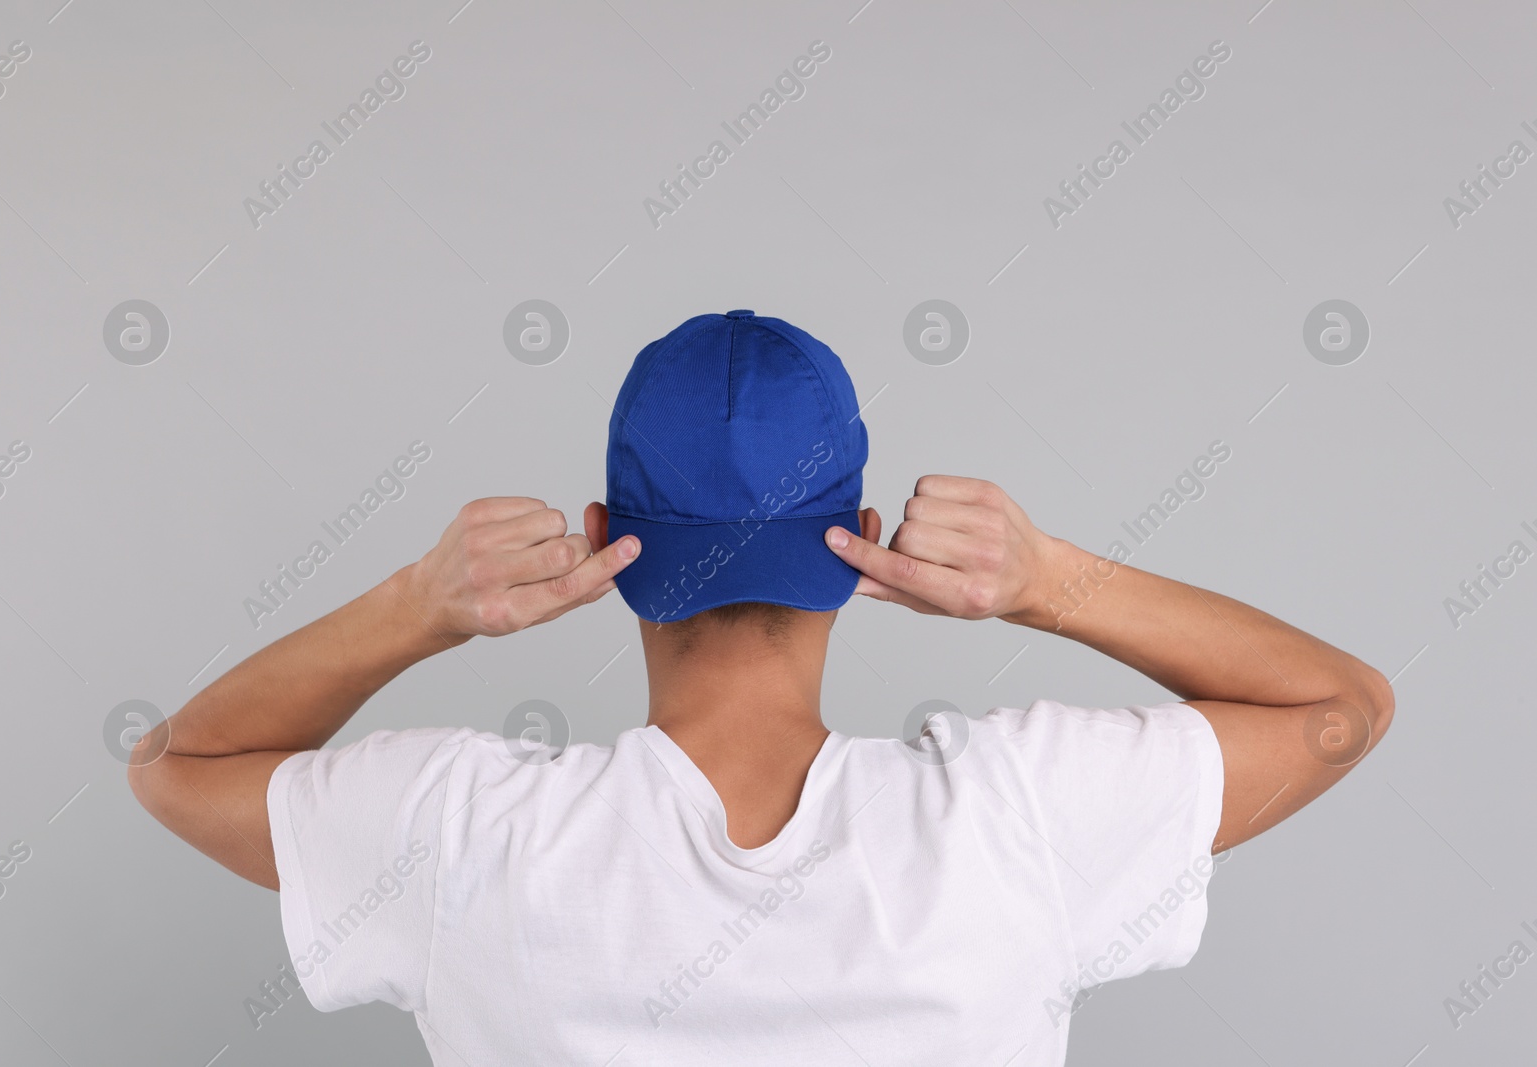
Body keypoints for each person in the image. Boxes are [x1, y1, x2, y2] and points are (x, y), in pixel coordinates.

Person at [129, 310, 1393, 1065]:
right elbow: (1338, 708)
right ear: (856, 537)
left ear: (600, 537)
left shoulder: (462, 835)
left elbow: (176, 765)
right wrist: (1048, 579)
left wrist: (417, 604)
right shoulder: (1019, 819)